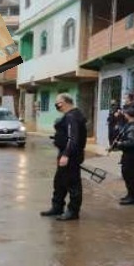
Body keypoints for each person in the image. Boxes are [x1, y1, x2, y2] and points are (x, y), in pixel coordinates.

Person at [41, 93, 87, 221]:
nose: (57, 104)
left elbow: (73, 138)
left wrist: (66, 154)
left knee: (73, 184)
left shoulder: (73, 116)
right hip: (65, 153)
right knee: (59, 182)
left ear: (65, 102)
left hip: (71, 155)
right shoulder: (69, 116)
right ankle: (57, 207)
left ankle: (73, 211)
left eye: (58, 102)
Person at [112, 107, 134, 205]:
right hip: (130, 154)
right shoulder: (132, 125)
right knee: (127, 174)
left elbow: (132, 142)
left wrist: (120, 144)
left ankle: (132, 197)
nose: (124, 115)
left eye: (125, 113)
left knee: (130, 175)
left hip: (131, 154)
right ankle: (130, 195)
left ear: (128, 115)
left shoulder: (133, 127)